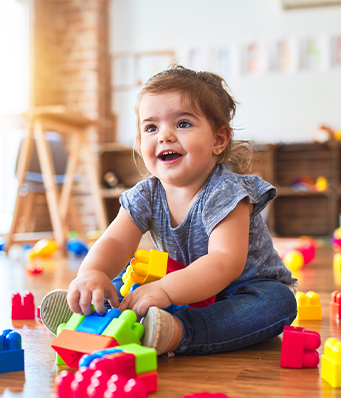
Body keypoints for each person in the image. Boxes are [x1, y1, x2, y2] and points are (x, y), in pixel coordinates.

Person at [40, 64, 297, 356]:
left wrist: (165, 291)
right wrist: (92, 273)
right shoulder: (146, 194)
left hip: (240, 291)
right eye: (151, 127)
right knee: (125, 273)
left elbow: (225, 262)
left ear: (218, 139)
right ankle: (89, 311)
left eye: (183, 124)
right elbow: (115, 241)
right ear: (140, 142)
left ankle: (176, 331)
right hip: (182, 285)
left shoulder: (226, 192)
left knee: (278, 302)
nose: (164, 136)